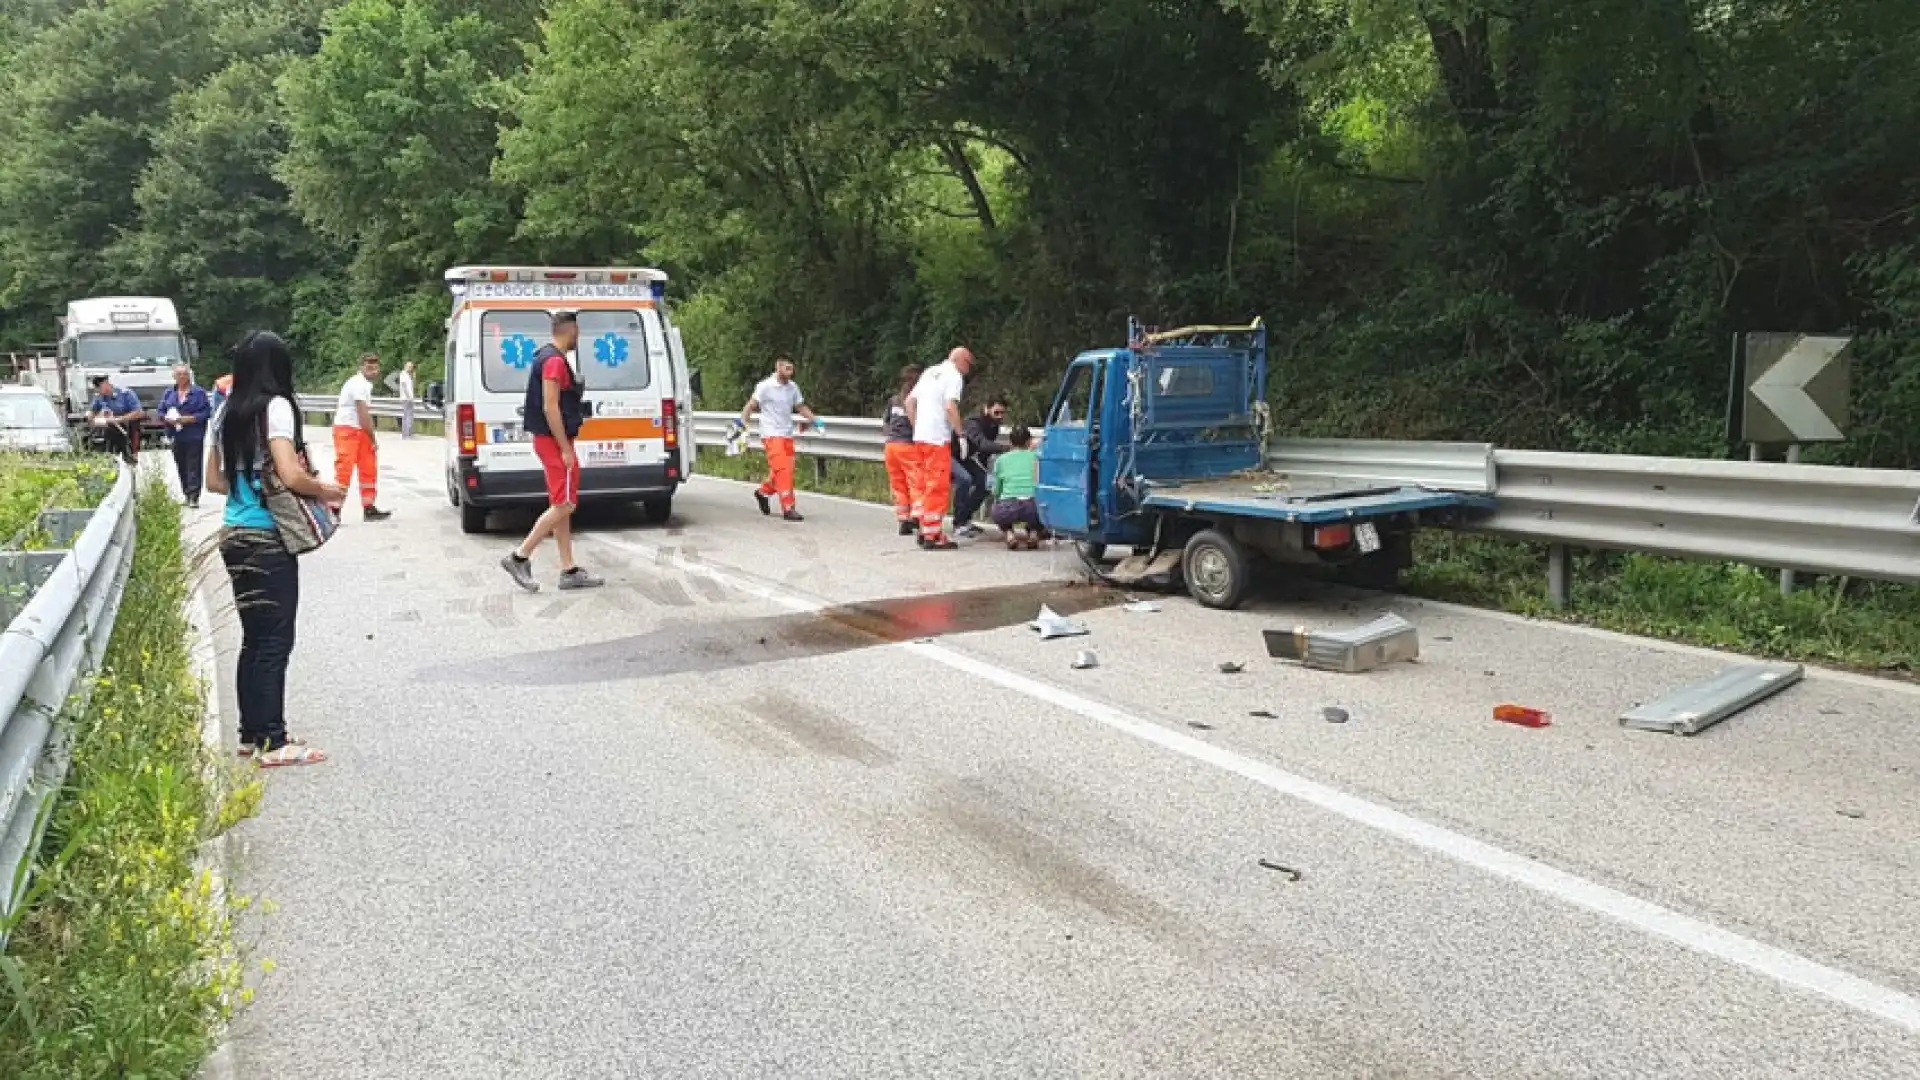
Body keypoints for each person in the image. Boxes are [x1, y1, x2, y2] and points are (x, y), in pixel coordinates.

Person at [203, 331, 344, 767]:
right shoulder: (276, 409)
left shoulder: (224, 412)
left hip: (234, 534)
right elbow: (288, 473)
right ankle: (274, 742)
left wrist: (248, 485)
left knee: (255, 639)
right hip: (267, 538)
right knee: (275, 642)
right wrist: (324, 488)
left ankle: (253, 733)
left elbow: (214, 481)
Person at [500, 311, 604, 593]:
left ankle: (568, 569)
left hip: (546, 440)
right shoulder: (555, 362)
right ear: (571, 330)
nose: (578, 338)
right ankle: (519, 556)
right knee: (565, 504)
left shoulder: (544, 356)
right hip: (554, 442)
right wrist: (564, 448)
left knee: (561, 505)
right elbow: (550, 406)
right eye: (577, 332)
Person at [904, 346, 972, 550]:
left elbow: (909, 402)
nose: (969, 370)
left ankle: (925, 528)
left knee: (925, 484)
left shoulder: (929, 372)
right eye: (970, 364)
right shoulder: (954, 376)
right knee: (938, 486)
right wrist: (960, 434)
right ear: (962, 361)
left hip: (921, 438)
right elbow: (950, 407)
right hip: (936, 440)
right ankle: (932, 535)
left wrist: (918, 427)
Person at [738, 355, 819, 522]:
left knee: (783, 470)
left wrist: (814, 420)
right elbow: (750, 406)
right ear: (778, 366)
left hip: (786, 434)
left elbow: (800, 406)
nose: (790, 371)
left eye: (792, 368)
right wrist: (742, 427)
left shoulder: (793, 388)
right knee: (783, 470)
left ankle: (762, 492)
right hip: (771, 434)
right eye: (787, 367)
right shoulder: (765, 386)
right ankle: (788, 507)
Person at [332, 353, 391, 521]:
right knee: (344, 469)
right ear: (361, 367)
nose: (372, 371)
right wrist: (372, 438)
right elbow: (363, 413)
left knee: (368, 467)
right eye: (368, 367)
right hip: (348, 429)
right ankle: (334, 509)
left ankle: (369, 506)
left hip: (358, 429)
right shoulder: (358, 384)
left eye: (374, 367)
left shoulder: (364, 384)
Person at [951, 397, 1010, 539]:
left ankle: (964, 518)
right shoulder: (972, 423)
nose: (999, 416)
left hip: (965, 458)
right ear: (986, 409)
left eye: (1002, 413)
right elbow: (982, 443)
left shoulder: (993, 426)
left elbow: (985, 452)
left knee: (985, 484)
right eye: (996, 412)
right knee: (964, 479)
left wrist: (984, 471)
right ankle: (959, 523)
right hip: (949, 454)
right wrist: (1007, 448)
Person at [158, 363, 213, 508]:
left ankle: (194, 496)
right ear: (174, 377)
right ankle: (186, 493)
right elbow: (161, 411)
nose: (182, 376)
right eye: (179, 374)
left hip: (194, 434)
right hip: (176, 434)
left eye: (185, 374)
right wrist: (167, 418)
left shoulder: (199, 392)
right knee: (181, 464)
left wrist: (189, 419)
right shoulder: (169, 393)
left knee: (193, 465)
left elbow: (206, 413)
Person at [989, 426, 1046, 549]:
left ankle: (1009, 534)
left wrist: (998, 497)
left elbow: (996, 489)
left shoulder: (1001, 460)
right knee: (1043, 508)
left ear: (1010, 442)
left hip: (1008, 508)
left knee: (996, 508)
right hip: (1033, 507)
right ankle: (1034, 533)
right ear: (1029, 441)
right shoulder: (1037, 458)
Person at [881, 364, 921, 536]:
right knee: (915, 483)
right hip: (908, 446)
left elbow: (886, 422)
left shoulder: (895, 399)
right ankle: (917, 517)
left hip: (891, 446)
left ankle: (903, 519)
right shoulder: (917, 400)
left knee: (898, 485)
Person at [88, 375, 144, 464]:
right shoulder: (99, 397)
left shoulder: (126, 393)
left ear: (107, 383)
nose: (99, 391)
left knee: (131, 459)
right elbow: (91, 414)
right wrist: (99, 416)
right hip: (110, 432)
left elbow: (138, 412)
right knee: (110, 459)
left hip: (128, 429)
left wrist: (118, 419)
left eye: (100, 386)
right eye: (97, 388)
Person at [396, 362, 417, 440]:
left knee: (409, 415)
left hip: (410, 398)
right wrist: (408, 396)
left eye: (411, 367)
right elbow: (404, 386)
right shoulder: (403, 374)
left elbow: (412, 386)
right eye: (409, 367)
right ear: (405, 366)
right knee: (407, 416)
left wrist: (413, 378)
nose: (410, 368)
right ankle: (406, 434)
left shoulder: (409, 375)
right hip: (406, 398)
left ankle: (408, 433)